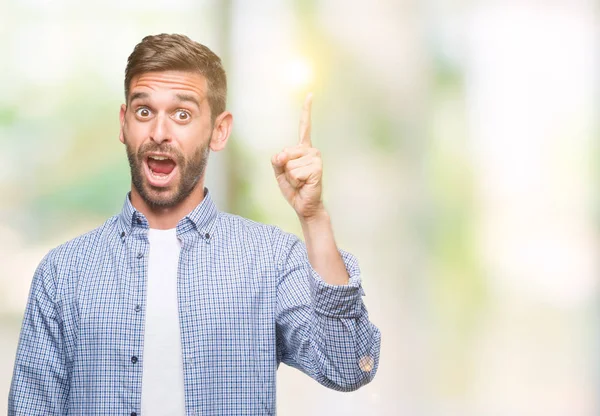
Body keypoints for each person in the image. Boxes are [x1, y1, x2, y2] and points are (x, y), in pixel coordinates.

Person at [8, 33, 381, 415]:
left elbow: (350, 366)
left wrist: (314, 218)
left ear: (218, 131)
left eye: (182, 114)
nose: (159, 133)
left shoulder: (270, 260)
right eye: (144, 111)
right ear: (124, 123)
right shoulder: (62, 272)